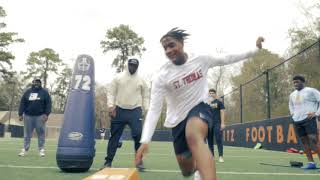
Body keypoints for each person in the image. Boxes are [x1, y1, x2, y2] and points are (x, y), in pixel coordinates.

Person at [135, 27, 264, 180]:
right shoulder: (161, 76)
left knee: (193, 135)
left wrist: (255, 50)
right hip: (177, 121)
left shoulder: (201, 60)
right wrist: (145, 140)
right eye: (165, 48)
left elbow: (228, 58)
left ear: (182, 43)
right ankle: (198, 168)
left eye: (172, 45)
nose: (169, 50)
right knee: (186, 170)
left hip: (200, 109)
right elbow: (155, 109)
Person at [103, 58, 149, 171]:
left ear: (137, 67)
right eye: (131, 65)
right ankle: (108, 161)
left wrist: (147, 109)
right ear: (127, 65)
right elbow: (111, 92)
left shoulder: (141, 80)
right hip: (119, 110)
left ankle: (139, 161)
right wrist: (110, 106)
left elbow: (146, 96)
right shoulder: (118, 78)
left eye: (135, 66)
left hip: (135, 110)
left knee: (138, 135)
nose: (132, 68)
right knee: (114, 136)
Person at [289, 75, 320, 169]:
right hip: (297, 121)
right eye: (294, 82)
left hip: (309, 120)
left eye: (297, 82)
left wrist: (317, 113)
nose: (295, 84)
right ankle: (311, 163)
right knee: (304, 142)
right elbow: (290, 105)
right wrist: (293, 113)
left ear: (303, 82)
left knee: (314, 141)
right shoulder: (292, 94)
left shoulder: (311, 91)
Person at [18, 78, 52, 157]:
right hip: (28, 116)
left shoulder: (44, 93)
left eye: (38, 82)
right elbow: (22, 103)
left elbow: (48, 104)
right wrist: (20, 114)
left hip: (40, 116)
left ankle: (41, 150)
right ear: (32, 83)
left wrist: (46, 114)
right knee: (27, 134)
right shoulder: (28, 92)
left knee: (41, 133)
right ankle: (25, 150)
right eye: (35, 82)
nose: (36, 84)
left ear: (40, 83)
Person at [207, 89, 225, 163]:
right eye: (210, 93)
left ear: (215, 94)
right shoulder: (206, 103)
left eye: (212, 93)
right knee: (210, 141)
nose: (211, 94)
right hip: (209, 124)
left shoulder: (219, 102)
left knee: (218, 140)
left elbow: (222, 112)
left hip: (217, 123)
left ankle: (221, 156)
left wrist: (223, 123)